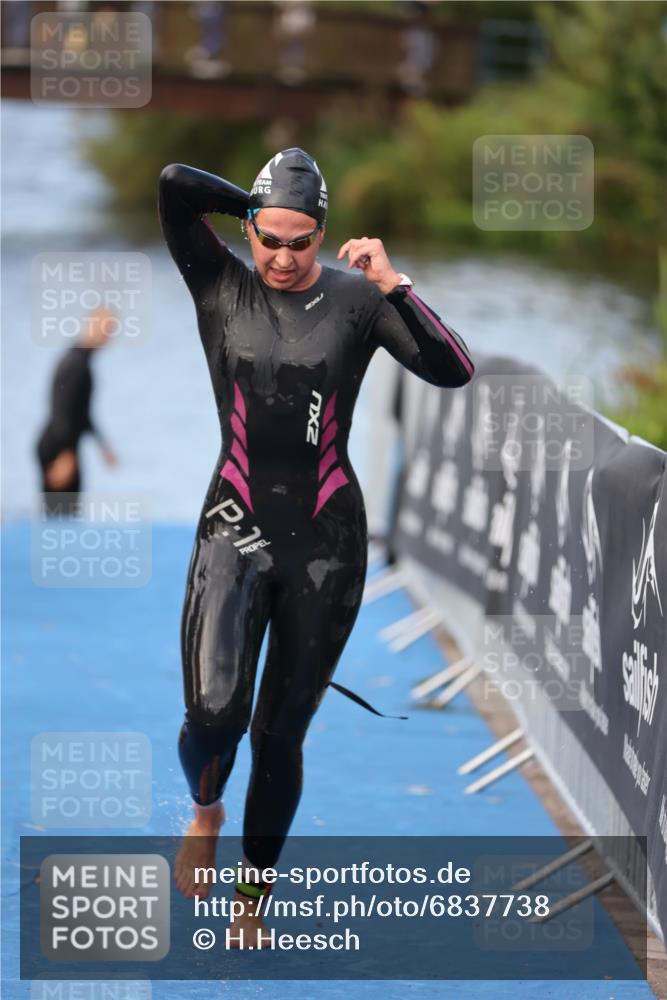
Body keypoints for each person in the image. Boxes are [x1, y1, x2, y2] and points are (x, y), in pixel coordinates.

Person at [158, 148, 474, 947]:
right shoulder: (218, 281)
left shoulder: (357, 302)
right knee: (212, 712)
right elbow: (172, 184)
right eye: (270, 238)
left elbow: (454, 370)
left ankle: (252, 897)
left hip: (326, 543)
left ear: (324, 236)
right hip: (232, 527)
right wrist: (254, 204)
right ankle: (204, 809)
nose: (284, 257)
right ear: (251, 229)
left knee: (278, 736)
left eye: (302, 242)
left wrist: (393, 283)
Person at [35, 307, 118, 514]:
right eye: (106, 328)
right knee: (60, 516)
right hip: (57, 446)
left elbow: (82, 414)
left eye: (112, 330)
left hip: (62, 444)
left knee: (65, 514)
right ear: (90, 325)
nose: (109, 336)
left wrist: (102, 445)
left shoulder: (80, 360)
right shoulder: (75, 364)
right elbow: (61, 409)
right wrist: (66, 454)